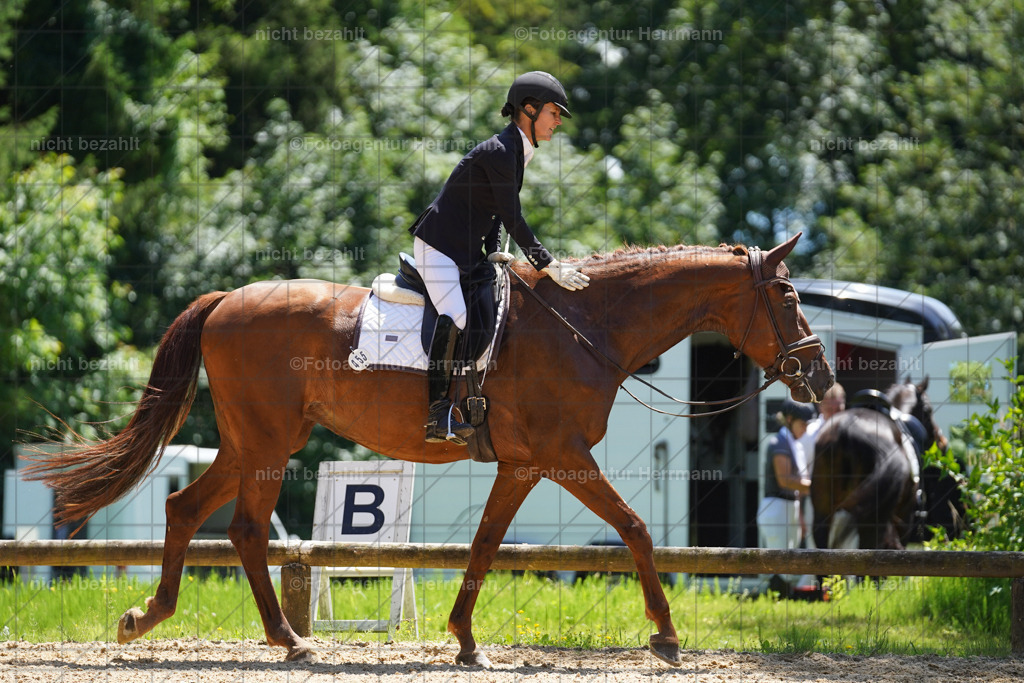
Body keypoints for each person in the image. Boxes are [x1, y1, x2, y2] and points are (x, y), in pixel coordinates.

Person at [408, 71, 591, 445]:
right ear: (529, 108)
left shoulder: (515, 149)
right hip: (438, 248)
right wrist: (549, 265)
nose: (558, 121)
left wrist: (494, 253)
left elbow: (491, 211)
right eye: (554, 113)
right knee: (456, 315)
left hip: (465, 252)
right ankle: (437, 416)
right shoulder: (502, 151)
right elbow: (513, 217)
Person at [757, 397, 817, 595]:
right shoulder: (779, 443)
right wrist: (817, 488)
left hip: (789, 507)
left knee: (787, 566)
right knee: (780, 565)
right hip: (777, 507)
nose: (806, 429)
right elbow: (785, 480)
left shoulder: (795, 444)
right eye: (803, 424)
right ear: (790, 420)